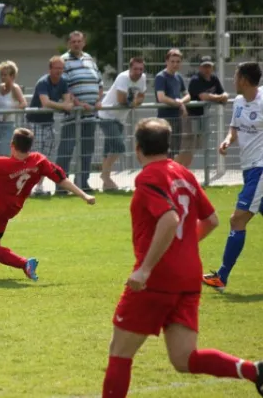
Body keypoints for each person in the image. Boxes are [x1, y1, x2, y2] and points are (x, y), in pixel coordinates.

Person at [101, 117, 263, 398]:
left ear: (137, 148)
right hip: (188, 277)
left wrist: (146, 269)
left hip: (158, 278)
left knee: (120, 351)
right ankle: (255, 371)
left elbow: (169, 219)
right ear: (169, 146)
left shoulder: (148, 177)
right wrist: (183, 247)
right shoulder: (183, 173)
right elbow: (211, 220)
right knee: (183, 358)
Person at [0, 121, 95, 281]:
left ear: (12, 145)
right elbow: (61, 179)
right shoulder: (39, 161)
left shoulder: (2, 164)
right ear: (30, 146)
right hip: (13, 206)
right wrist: (84, 195)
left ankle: (25, 264)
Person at [203, 62, 263, 293]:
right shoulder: (238, 102)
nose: (233, 79)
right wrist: (228, 140)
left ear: (245, 80)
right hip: (249, 170)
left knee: (237, 220)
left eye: (236, 76)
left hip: (260, 170)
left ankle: (222, 277)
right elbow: (234, 129)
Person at [58, 30, 104, 192]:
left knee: (87, 151)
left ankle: (83, 183)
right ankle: (61, 186)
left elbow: (99, 83)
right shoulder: (63, 60)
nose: (76, 44)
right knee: (66, 149)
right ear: (69, 44)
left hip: (90, 115)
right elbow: (64, 87)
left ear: (84, 43)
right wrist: (78, 103)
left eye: (79, 41)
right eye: (73, 41)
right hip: (73, 114)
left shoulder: (89, 59)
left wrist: (98, 100)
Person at [26, 56, 73, 195]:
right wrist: (63, 106)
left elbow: (68, 102)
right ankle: (29, 186)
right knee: (35, 154)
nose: (59, 71)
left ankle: (39, 187)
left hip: (48, 122)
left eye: (61, 68)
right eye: (56, 68)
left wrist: (64, 105)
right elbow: (45, 102)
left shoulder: (64, 82)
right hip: (34, 122)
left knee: (46, 155)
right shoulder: (43, 82)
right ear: (50, 69)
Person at [97, 57, 147, 190]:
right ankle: (105, 175)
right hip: (107, 115)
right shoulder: (123, 77)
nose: (138, 72)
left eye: (141, 69)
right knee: (119, 147)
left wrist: (136, 102)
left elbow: (142, 96)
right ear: (130, 68)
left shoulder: (143, 78)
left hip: (120, 118)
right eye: (136, 68)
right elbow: (121, 99)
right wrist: (134, 103)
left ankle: (106, 184)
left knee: (109, 150)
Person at [185, 55, 229, 168]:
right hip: (191, 117)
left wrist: (221, 96)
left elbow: (224, 94)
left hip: (203, 116)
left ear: (212, 67)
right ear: (200, 68)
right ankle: (182, 168)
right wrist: (220, 98)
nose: (207, 69)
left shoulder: (214, 78)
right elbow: (204, 96)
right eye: (204, 67)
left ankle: (185, 168)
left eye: (209, 66)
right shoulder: (196, 80)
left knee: (198, 145)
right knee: (189, 146)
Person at [154, 48, 191, 166]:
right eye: (172, 61)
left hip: (177, 118)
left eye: (178, 61)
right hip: (165, 119)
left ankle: (170, 173)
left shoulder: (178, 77)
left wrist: (181, 101)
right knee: (164, 149)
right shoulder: (161, 77)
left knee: (175, 149)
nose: (175, 64)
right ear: (167, 61)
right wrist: (179, 104)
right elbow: (161, 97)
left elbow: (188, 95)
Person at [0, 60, 27, 156]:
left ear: (12, 76)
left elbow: (23, 103)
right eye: (1, 75)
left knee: (5, 152)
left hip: (9, 124)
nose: (2, 77)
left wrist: (11, 111)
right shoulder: (0, 87)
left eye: (5, 75)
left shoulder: (15, 88)